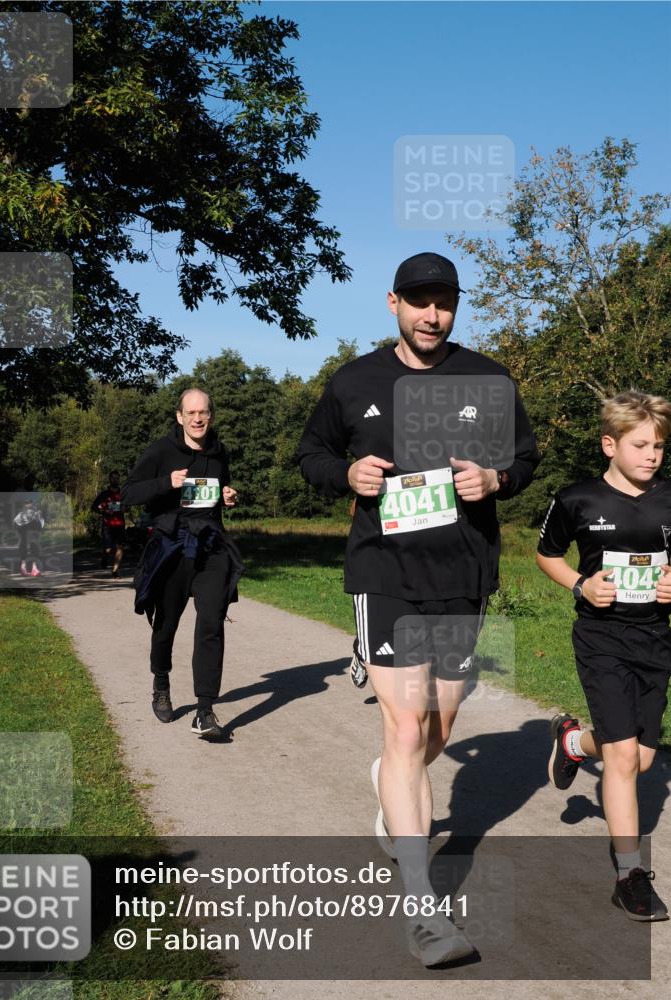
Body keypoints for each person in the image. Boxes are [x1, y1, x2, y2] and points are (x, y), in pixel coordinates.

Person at [297, 251, 540, 966]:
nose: (433, 315)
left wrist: (496, 478)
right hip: (386, 572)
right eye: (419, 302)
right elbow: (310, 457)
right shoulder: (355, 380)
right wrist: (345, 471)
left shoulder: (488, 377)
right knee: (405, 733)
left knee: (439, 722)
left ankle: (389, 782)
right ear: (393, 303)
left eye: (445, 303)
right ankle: (422, 906)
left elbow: (525, 460)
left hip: (464, 571)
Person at [537, 389, 671, 922]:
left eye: (659, 446)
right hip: (600, 638)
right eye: (641, 445)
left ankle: (572, 742)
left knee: (640, 758)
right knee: (620, 759)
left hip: (655, 638)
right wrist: (580, 587)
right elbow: (547, 554)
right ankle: (629, 875)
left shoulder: (669, 499)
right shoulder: (577, 500)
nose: (652, 455)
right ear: (609, 444)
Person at [123, 388, 242, 740]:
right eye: (191, 413)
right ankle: (161, 680)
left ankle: (204, 711)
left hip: (210, 548)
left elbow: (219, 492)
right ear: (179, 416)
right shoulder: (161, 451)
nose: (197, 418)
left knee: (211, 623)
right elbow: (129, 494)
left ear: (211, 415)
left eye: (203, 412)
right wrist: (166, 483)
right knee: (166, 626)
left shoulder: (219, 453)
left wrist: (229, 497)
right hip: (172, 549)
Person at [91, 470, 126, 578]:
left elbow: (127, 506)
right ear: (110, 479)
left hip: (120, 525)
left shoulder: (122, 493)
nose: (115, 480)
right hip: (108, 525)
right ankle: (105, 558)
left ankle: (115, 571)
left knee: (120, 547)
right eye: (113, 478)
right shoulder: (104, 494)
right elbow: (93, 507)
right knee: (108, 549)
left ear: (119, 479)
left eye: (117, 478)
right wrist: (105, 511)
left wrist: (126, 508)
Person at [13, 498, 44, 576]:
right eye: (27, 502)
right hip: (22, 525)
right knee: (24, 543)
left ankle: (34, 567)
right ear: (25, 504)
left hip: (33, 524)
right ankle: (23, 567)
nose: (29, 504)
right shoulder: (23, 513)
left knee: (34, 544)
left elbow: (40, 523)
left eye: (30, 502)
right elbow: (15, 522)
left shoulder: (35, 511)